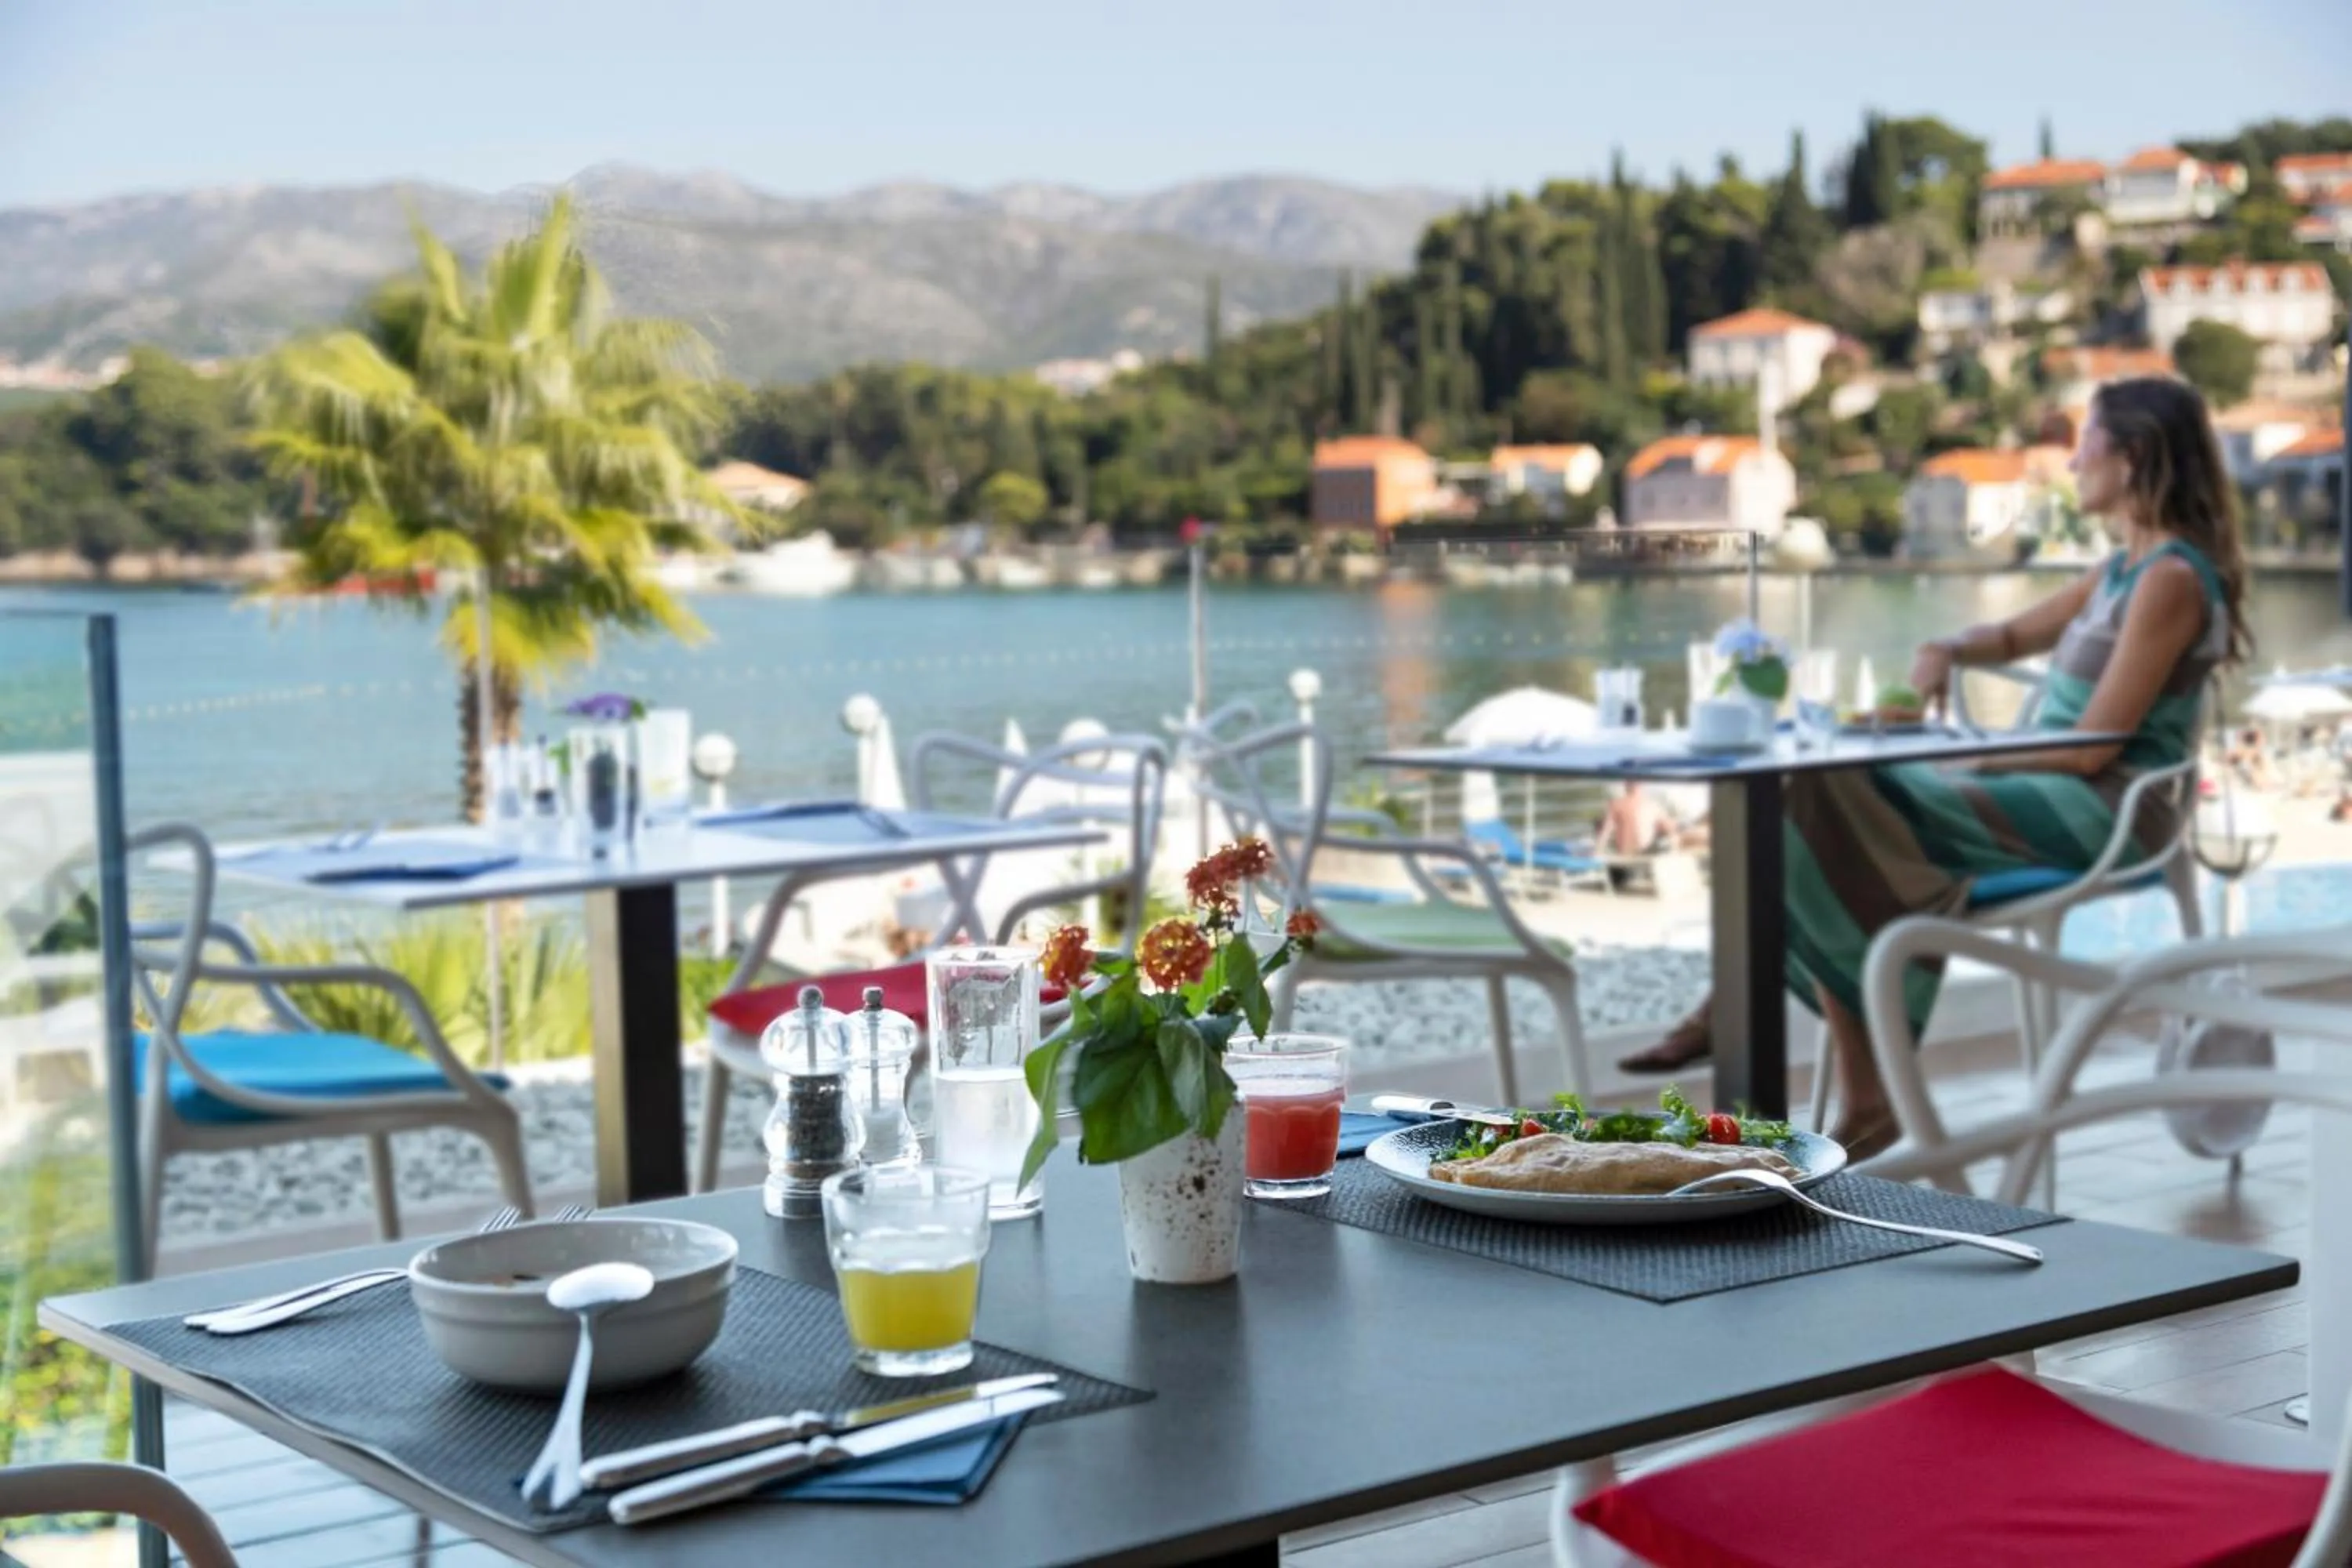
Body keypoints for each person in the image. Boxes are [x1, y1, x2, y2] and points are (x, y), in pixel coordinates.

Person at [1617, 378, 2248, 1159]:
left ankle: (1809, 1051)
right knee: (1802, 793)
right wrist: (1946, 649)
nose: (2074, 455)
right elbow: (2014, 632)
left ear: (2135, 456)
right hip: (2039, 785)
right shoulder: (2123, 567)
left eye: (2088, 439)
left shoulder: (2172, 580)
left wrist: (1954, 746)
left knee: (1822, 794)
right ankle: (1846, 1076)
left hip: (2105, 807)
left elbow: (2094, 747)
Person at [1596, 782, 1671, 858]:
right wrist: (1598, 851)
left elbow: (1670, 829)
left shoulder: (1652, 805)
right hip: (1626, 855)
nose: (1634, 785)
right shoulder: (1617, 805)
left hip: (1645, 855)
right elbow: (1606, 831)